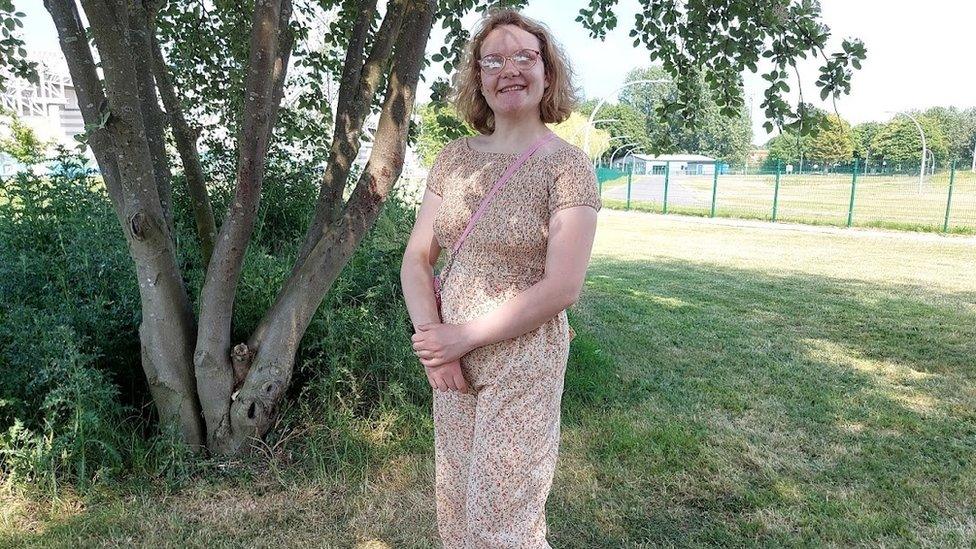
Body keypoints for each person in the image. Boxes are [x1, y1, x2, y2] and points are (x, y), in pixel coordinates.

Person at [400, 9, 601, 548]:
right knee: (457, 512)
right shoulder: (453, 160)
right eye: (493, 60)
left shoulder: (568, 166)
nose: (509, 69)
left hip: (524, 362)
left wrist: (458, 338)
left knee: (503, 521)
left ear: (546, 72)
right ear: (478, 78)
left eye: (524, 57)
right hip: (452, 364)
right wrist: (436, 347)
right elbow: (417, 258)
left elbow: (562, 288)